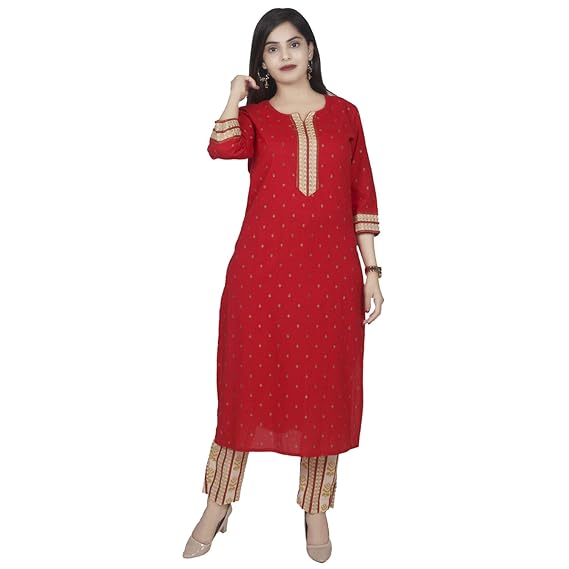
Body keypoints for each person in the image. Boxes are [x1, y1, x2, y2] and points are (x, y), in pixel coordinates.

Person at [183, 7, 384, 562]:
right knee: (243, 390)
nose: (285, 55)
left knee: (325, 391)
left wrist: (372, 272)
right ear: (262, 62)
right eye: (272, 48)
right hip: (260, 277)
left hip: (330, 279)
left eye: (294, 43)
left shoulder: (345, 115)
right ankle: (218, 503)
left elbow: (362, 192)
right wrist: (234, 94)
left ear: (311, 49)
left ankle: (316, 508)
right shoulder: (255, 119)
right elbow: (221, 147)